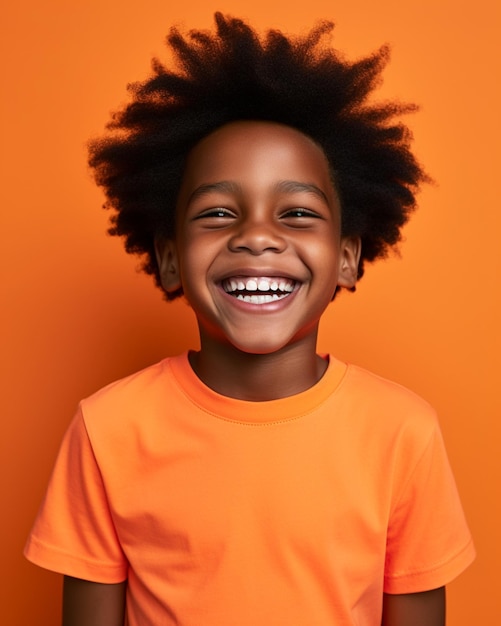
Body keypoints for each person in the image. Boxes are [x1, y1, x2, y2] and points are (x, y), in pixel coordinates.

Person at [24, 13, 475, 626]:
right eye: (216, 213)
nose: (257, 236)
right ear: (168, 257)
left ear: (347, 257)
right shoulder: (107, 429)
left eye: (295, 214)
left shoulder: (403, 433)